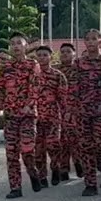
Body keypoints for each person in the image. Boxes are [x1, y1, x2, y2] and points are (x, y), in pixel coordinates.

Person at [0, 32, 42, 198]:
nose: (15, 46)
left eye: (19, 43)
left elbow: (35, 87)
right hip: (11, 116)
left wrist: (28, 105)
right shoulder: (5, 68)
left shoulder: (32, 65)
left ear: (26, 46)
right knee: (11, 153)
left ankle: (33, 172)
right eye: (12, 43)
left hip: (27, 116)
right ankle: (15, 188)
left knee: (27, 150)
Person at [74, 29, 101, 196]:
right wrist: (72, 107)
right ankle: (90, 183)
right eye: (87, 39)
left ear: (100, 41)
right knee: (85, 147)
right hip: (83, 110)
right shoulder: (79, 62)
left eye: (94, 39)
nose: (90, 42)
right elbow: (74, 86)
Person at [32, 45, 68, 187]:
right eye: (39, 55)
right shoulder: (32, 75)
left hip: (53, 117)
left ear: (51, 57)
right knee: (38, 150)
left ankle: (55, 168)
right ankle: (42, 177)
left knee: (53, 146)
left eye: (45, 55)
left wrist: (65, 117)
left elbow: (63, 99)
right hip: (35, 118)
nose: (42, 58)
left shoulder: (58, 75)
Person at [55, 43, 81, 181]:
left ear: (74, 54)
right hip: (59, 110)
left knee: (75, 139)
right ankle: (63, 169)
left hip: (75, 110)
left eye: (68, 52)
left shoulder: (79, 69)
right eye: (63, 51)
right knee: (61, 141)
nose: (65, 54)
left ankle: (78, 163)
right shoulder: (55, 70)